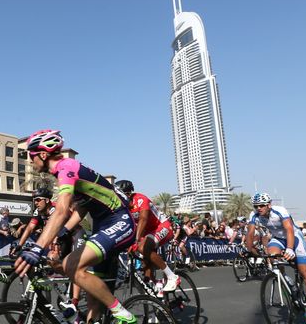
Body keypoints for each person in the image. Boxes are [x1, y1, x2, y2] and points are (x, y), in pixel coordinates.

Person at [14, 130, 137, 324]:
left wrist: (38, 248)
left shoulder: (66, 167)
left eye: (31, 156)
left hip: (119, 222)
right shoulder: (64, 172)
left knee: (72, 266)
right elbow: (81, 207)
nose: (31, 161)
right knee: (92, 295)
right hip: (102, 226)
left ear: (43, 155)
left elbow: (62, 210)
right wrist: (62, 233)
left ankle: (124, 315)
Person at [245, 192, 306, 323]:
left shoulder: (280, 210)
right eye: (256, 206)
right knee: (272, 258)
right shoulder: (254, 215)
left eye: (261, 205)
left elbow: (289, 230)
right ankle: (288, 282)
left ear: (269, 205)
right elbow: (250, 232)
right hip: (278, 239)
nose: (258, 208)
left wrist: (290, 249)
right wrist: (249, 249)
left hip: (295, 238)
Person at [116, 179, 180, 292]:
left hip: (162, 226)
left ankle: (172, 277)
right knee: (145, 263)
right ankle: (155, 285)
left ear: (128, 194)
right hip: (148, 232)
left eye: (119, 196)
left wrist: (135, 241)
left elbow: (143, 219)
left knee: (141, 247)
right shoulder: (123, 208)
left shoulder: (141, 199)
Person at [12, 188, 57, 256]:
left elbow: (55, 228)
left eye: (38, 200)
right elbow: (29, 228)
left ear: (47, 200)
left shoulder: (55, 209)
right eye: (35, 200)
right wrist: (20, 245)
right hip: (55, 235)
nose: (36, 203)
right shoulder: (38, 211)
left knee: (53, 257)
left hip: (70, 234)